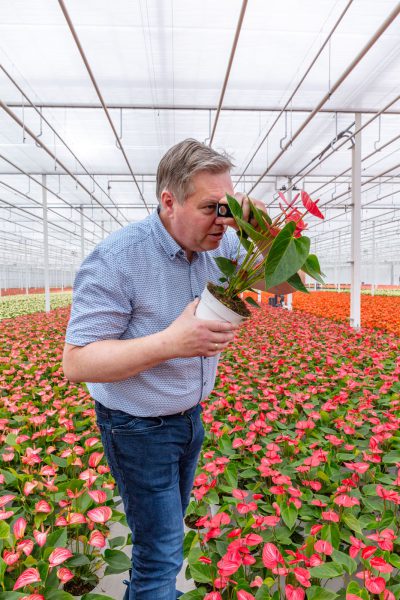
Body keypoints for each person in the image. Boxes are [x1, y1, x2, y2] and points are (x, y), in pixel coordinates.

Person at [63, 139, 279, 600]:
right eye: (209, 207)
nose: (223, 220)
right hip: (137, 429)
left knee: (164, 537)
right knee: (161, 553)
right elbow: (77, 362)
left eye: (228, 207)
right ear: (169, 201)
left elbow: (277, 282)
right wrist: (170, 343)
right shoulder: (118, 258)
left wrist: (266, 235)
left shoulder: (223, 243)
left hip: (189, 421)